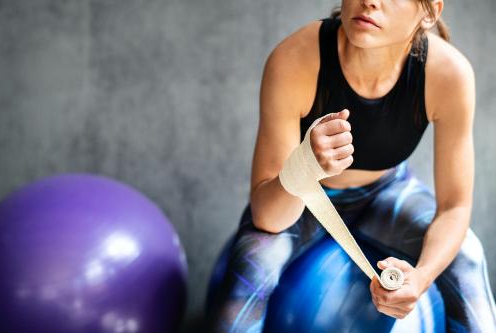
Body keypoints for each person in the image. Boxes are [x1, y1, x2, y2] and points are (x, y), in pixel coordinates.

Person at [206, 0, 496, 332]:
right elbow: (268, 217)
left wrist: (421, 276)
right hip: (303, 200)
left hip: (387, 195)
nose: (371, 0)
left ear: (430, 12)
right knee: (252, 267)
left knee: (467, 257)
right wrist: (305, 168)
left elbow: (455, 207)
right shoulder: (295, 58)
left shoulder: (449, 74)